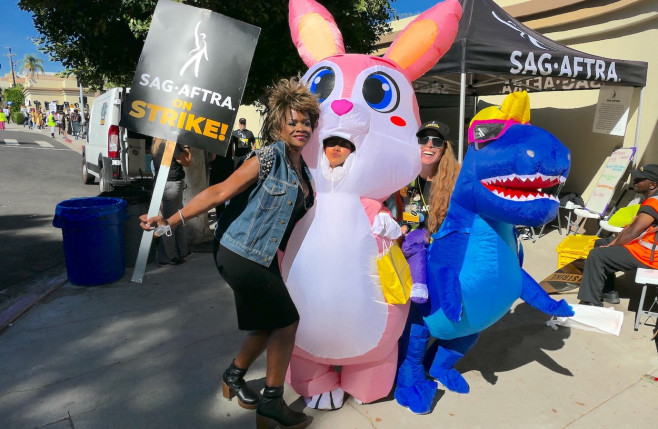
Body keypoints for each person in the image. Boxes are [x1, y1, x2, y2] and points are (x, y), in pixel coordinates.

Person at [140, 77, 320, 429]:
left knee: (268, 324)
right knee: (287, 321)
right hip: (238, 250)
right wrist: (170, 221)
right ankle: (272, 401)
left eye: (306, 121)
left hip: (263, 257)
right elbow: (220, 192)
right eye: (293, 121)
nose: (301, 127)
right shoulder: (270, 156)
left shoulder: (306, 172)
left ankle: (234, 377)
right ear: (279, 124)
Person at [578, 164, 658, 306]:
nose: (634, 181)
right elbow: (633, 228)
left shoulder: (654, 203)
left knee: (598, 255)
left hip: (649, 256)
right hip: (644, 248)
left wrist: (613, 244)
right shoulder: (652, 199)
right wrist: (612, 242)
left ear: (652, 185)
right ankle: (608, 291)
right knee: (600, 243)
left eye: (639, 179)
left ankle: (591, 302)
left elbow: (634, 232)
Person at [393, 120, 460, 236]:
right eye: (423, 140)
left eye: (437, 141)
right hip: (411, 248)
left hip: (443, 246)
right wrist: (404, 227)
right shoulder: (403, 179)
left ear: (444, 148)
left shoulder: (456, 180)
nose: (429, 145)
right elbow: (401, 216)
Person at [150, 138, 192, 266]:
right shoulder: (171, 143)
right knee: (170, 222)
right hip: (172, 184)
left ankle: (182, 251)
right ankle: (167, 257)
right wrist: (187, 147)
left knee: (177, 218)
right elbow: (187, 161)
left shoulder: (156, 142)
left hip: (160, 183)